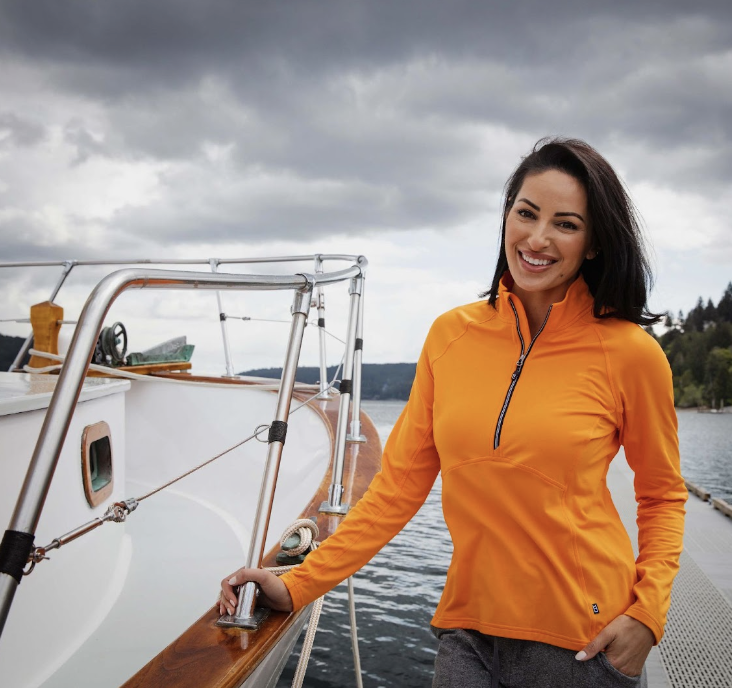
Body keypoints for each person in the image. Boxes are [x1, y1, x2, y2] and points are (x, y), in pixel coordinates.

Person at [221, 137, 685, 687]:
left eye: (565, 224)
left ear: (593, 244)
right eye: (526, 213)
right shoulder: (450, 335)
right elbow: (395, 491)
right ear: (506, 216)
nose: (537, 239)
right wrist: (301, 583)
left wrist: (647, 616)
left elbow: (661, 495)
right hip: (468, 632)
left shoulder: (631, 353)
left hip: (583, 643)